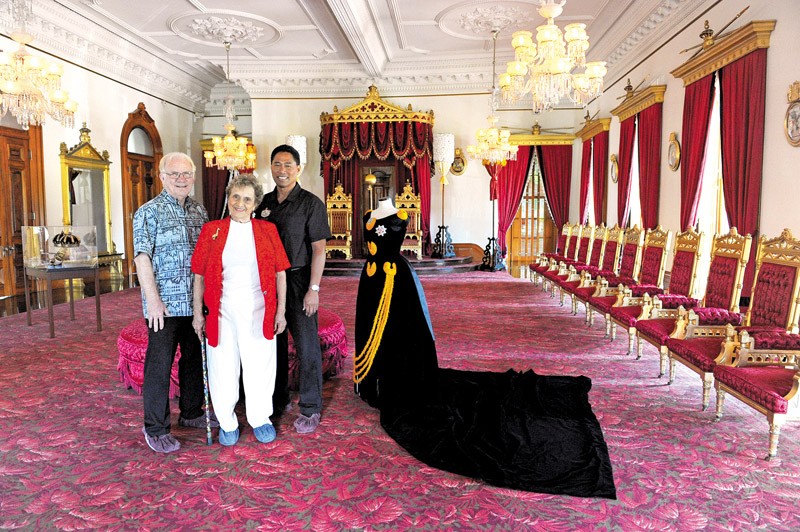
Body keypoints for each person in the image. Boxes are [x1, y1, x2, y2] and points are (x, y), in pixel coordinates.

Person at [354, 198, 617, 498]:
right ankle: (378, 382)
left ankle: (402, 383)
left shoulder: (398, 215)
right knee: (376, 334)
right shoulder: (371, 213)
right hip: (373, 280)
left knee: (403, 339)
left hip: (395, 282)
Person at [191, 174, 291, 446]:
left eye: (247, 199)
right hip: (221, 312)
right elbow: (198, 275)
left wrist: (281, 311)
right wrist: (198, 313)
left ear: (256, 203)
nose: (240, 203)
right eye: (236, 196)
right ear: (228, 197)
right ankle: (227, 421)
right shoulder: (211, 230)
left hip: (260, 310)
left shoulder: (267, 230)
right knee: (222, 367)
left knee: (260, 367)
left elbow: (281, 273)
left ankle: (260, 418)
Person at [133, 152, 218, 454]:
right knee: (160, 363)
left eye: (186, 173)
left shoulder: (199, 211)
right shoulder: (148, 212)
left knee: (194, 358)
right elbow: (142, 258)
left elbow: (206, 258)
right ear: (162, 177)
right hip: (164, 306)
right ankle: (156, 428)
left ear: (193, 176)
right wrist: (153, 301)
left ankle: (192, 412)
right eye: (175, 174)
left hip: (194, 303)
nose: (182, 179)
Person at [256, 144, 331, 434]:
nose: (282, 170)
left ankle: (311, 407)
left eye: (288, 165)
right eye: (277, 164)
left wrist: (314, 288)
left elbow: (319, 250)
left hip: (300, 282)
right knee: (272, 345)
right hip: (270, 284)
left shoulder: (311, 204)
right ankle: (277, 401)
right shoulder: (263, 203)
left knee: (306, 346)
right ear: (271, 167)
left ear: (299, 169)